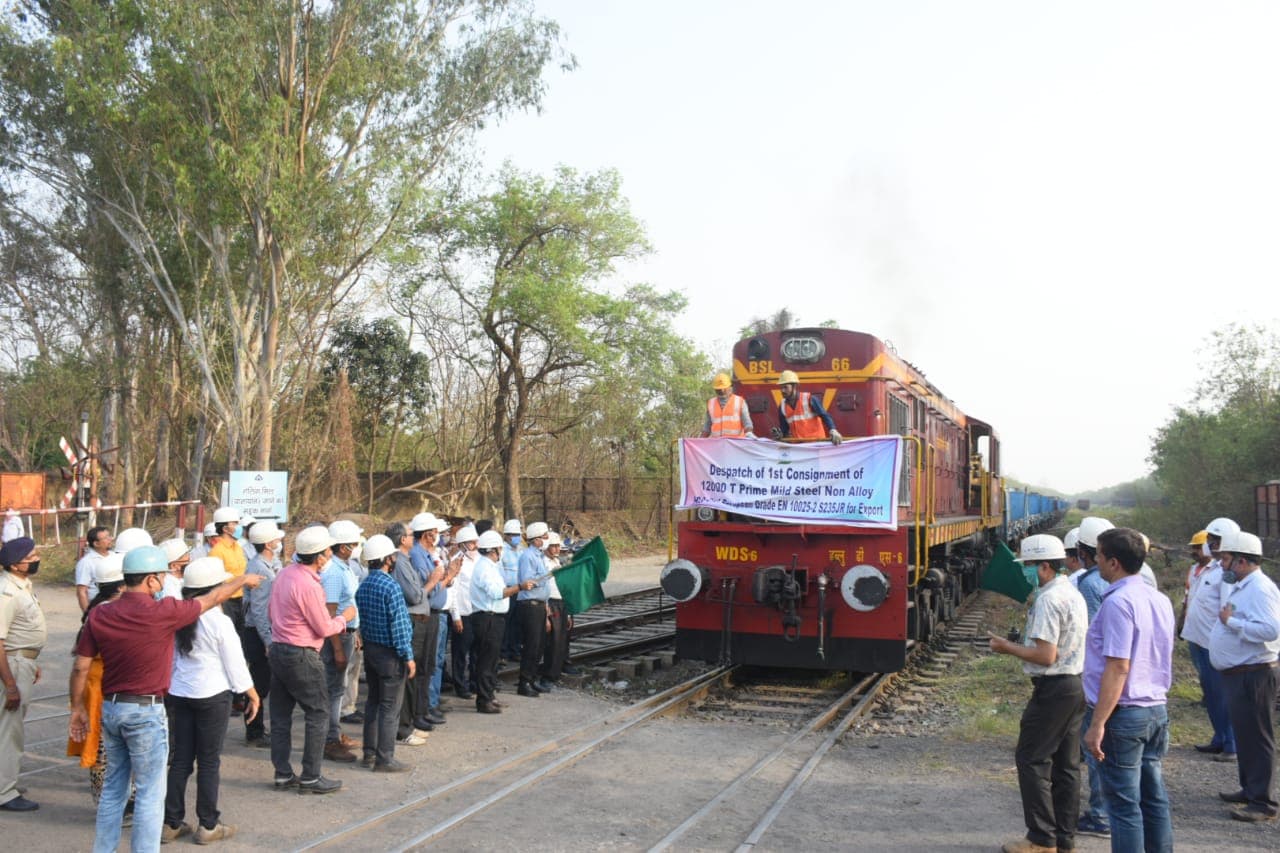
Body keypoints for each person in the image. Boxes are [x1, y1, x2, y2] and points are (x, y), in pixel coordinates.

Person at [69, 545, 260, 853]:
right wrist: (242, 580)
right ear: (151, 580)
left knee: (114, 789)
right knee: (149, 793)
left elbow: (80, 666)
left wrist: (77, 708)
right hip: (146, 712)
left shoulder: (100, 614)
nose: (163, 582)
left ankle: (103, 849)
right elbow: (212, 599)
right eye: (161, 576)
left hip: (112, 709)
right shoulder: (163, 612)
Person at [989, 535, 1088, 853]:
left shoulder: (1048, 599)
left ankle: (1041, 839)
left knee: (1031, 759)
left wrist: (1007, 647)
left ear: (1045, 566)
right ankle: (1064, 838)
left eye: (1028, 566)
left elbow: (1046, 655)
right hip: (1074, 685)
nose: (1025, 572)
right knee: (1066, 766)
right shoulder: (1071, 592)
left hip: (1054, 689)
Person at [1082, 527, 1175, 853]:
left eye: (1099, 555)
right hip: (1155, 710)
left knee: (1123, 806)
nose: (1095, 560)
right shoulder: (1159, 599)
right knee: (1154, 798)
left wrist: (1097, 724)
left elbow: (1118, 666)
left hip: (1123, 715)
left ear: (1114, 563)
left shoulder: (1118, 603)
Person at [162, 557, 260, 844]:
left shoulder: (178, 616)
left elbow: (171, 659)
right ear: (216, 590)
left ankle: (171, 822)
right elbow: (235, 662)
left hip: (180, 693)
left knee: (180, 760)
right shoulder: (219, 621)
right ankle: (208, 824)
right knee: (208, 761)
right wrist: (251, 692)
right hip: (212, 695)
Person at [266, 525, 355, 794]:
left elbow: (271, 613)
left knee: (281, 717)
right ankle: (311, 777)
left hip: (279, 648)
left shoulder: (285, 574)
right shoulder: (308, 585)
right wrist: (345, 618)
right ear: (319, 556)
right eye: (327, 551)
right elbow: (324, 628)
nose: (330, 555)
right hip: (301, 653)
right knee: (318, 713)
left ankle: (283, 773)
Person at [1208, 530, 1280, 822]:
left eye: (1226, 559)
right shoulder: (1243, 586)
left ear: (1241, 561)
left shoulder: (1260, 589)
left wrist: (1233, 623)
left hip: (1255, 673)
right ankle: (1250, 789)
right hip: (1240, 673)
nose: (1222, 564)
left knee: (1258, 737)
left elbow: (1271, 629)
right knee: (1245, 734)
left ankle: (1263, 803)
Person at [66, 554, 126, 808]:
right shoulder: (107, 612)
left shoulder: (96, 609)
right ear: (121, 586)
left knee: (106, 744)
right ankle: (106, 802)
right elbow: (81, 663)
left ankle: (112, 800)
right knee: (103, 747)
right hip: (101, 684)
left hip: (98, 682)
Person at [354, 534, 415, 771]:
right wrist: (408, 656)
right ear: (387, 559)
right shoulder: (391, 587)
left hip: (371, 650)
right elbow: (399, 627)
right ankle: (385, 758)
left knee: (373, 703)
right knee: (390, 708)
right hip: (390, 655)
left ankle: (369, 753)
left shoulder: (363, 585)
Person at [1072, 515, 1114, 838]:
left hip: (1099, 676)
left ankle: (1100, 816)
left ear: (1083, 551)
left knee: (1095, 747)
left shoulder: (1089, 583)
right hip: (1118, 675)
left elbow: (1091, 634)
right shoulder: (1128, 580)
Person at [1178, 527, 1235, 761]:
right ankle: (1219, 737)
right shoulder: (1208, 570)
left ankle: (1231, 743)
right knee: (1210, 694)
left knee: (1221, 694)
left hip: (1213, 643)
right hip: (1197, 639)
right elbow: (1191, 599)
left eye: (1213, 541)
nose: (1208, 545)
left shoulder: (1226, 573)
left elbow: (1228, 607)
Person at [0, 537, 45, 812]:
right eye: (31, 557)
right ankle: (5, 792)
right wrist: (10, 684)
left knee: (8, 728)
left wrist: (32, 660)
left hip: (21, 662)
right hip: (12, 666)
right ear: (15, 565)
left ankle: (6, 781)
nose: (36, 558)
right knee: (10, 731)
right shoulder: (7, 592)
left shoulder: (22, 586)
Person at [472, 530, 534, 713]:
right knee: (486, 661)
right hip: (487, 618)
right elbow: (497, 593)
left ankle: (490, 696)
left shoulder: (490, 566)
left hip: (494, 617)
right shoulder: (484, 568)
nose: (501, 551)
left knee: (492, 661)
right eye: (499, 548)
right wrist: (520, 587)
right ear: (493, 550)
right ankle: (484, 700)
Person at [320, 519, 364, 763]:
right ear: (343, 546)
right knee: (335, 688)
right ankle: (330, 740)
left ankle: (334, 733)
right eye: (354, 544)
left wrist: (355, 632)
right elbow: (330, 614)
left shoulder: (344, 567)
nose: (357, 547)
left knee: (339, 686)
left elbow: (350, 603)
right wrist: (337, 648)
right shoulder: (334, 573)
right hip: (338, 636)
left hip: (348, 632)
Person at [243, 522, 284, 748]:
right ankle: (254, 731)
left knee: (262, 683)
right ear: (268, 544)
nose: (279, 541)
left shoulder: (267, 564)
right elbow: (258, 610)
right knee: (259, 684)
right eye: (276, 539)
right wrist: (268, 641)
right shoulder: (259, 568)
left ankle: (256, 728)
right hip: (258, 632)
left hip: (262, 630)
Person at [406, 513, 447, 734]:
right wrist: (446, 578)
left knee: (428, 666)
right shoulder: (416, 555)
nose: (437, 537)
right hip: (423, 614)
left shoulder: (428, 554)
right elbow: (427, 588)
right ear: (426, 534)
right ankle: (417, 713)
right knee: (420, 666)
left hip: (433, 614)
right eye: (434, 533)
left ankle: (423, 710)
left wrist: (445, 578)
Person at [516, 522, 551, 697]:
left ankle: (532, 678)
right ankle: (524, 682)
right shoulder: (527, 556)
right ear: (536, 539)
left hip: (539, 604)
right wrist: (547, 576)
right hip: (530, 605)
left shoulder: (539, 556)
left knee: (539, 645)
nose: (547, 539)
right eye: (545, 536)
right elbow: (527, 581)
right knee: (531, 644)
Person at [448, 525, 480, 702]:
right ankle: (460, 685)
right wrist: (456, 616)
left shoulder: (480, 560)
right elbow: (453, 591)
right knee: (461, 652)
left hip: (478, 611)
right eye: (471, 542)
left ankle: (475, 682)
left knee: (476, 651)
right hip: (463, 613)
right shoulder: (456, 562)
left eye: (476, 542)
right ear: (462, 544)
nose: (475, 545)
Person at [539, 531, 571, 689]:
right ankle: (548, 675)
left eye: (558, 546)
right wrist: (546, 611)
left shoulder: (557, 561)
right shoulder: (543, 563)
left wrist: (569, 613)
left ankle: (556, 672)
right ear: (546, 547)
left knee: (561, 639)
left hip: (561, 602)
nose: (557, 549)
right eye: (554, 546)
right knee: (552, 641)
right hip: (551, 602)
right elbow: (542, 586)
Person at [772, 370, 841, 445]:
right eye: (781, 387)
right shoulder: (782, 406)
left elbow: (825, 416)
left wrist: (833, 430)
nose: (782, 390)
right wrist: (780, 435)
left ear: (794, 386)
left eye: (785, 387)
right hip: (800, 448)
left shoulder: (809, 399)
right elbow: (784, 429)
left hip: (817, 445)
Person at [701, 372, 754, 438]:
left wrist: (749, 434)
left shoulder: (740, 402)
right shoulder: (711, 403)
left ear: (729, 387)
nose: (722, 390)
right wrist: (698, 441)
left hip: (735, 443)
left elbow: (747, 424)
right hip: (718, 443)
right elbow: (707, 428)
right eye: (718, 389)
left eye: (724, 388)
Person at [500, 519, 524, 662]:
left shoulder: (521, 550)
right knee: (506, 622)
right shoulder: (502, 551)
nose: (517, 537)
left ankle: (515, 649)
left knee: (517, 622)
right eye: (513, 535)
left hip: (520, 590)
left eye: (518, 535)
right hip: (508, 590)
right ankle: (503, 652)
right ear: (507, 536)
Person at [76, 526, 114, 612]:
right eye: (106, 538)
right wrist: (88, 615)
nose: (110, 539)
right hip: (99, 609)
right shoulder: (86, 562)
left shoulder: (115, 556)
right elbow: (81, 591)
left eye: (109, 536)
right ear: (96, 544)